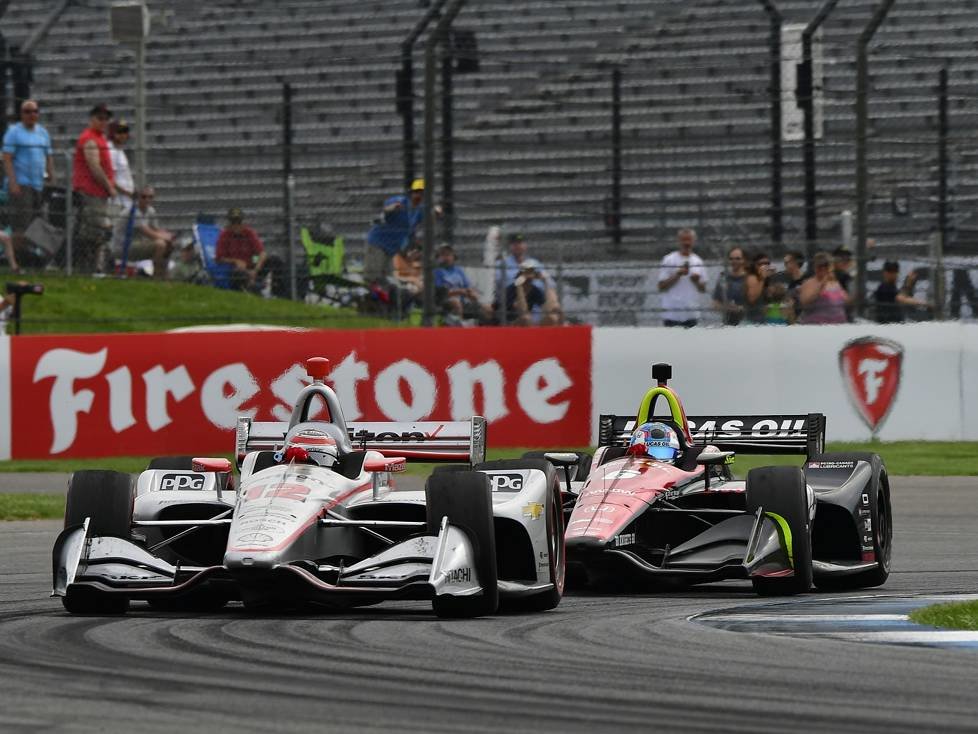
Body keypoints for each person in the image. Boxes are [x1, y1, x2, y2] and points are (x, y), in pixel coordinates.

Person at [2, 99, 55, 272]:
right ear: (21, 114)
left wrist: (51, 175)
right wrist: (13, 182)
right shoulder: (14, 132)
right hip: (22, 183)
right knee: (21, 225)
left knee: (38, 223)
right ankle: (16, 262)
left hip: (38, 184)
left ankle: (36, 259)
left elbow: (48, 156)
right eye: (27, 111)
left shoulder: (43, 133)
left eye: (35, 111)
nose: (32, 115)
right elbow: (7, 159)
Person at [71, 103, 116, 272]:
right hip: (91, 192)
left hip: (99, 193)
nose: (104, 122)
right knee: (92, 232)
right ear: (92, 119)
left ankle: (94, 268)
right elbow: (94, 167)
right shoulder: (89, 138)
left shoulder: (100, 138)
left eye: (106, 119)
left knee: (97, 232)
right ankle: (85, 268)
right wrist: (109, 186)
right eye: (100, 118)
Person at [365, 178, 434, 283]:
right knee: (373, 277)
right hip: (378, 243)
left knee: (387, 279)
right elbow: (386, 209)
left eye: (422, 194)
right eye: (417, 192)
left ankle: (380, 298)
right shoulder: (401, 201)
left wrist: (436, 212)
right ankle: (368, 296)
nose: (419, 196)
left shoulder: (419, 210)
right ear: (411, 193)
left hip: (391, 249)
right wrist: (392, 208)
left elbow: (428, 218)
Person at [215, 207, 284, 295]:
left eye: (238, 222)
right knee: (238, 274)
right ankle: (249, 288)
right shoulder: (224, 235)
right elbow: (219, 258)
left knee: (275, 260)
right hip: (237, 270)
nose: (236, 225)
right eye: (233, 222)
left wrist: (256, 269)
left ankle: (277, 291)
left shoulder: (249, 233)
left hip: (253, 266)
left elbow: (262, 253)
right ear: (229, 223)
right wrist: (235, 261)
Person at [498, 233, 562, 325]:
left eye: (520, 243)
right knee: (525, 317)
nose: (518, 246)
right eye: (514, 244)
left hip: (537, 308)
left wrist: (544, 281)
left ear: (525, 245)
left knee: (554, 313)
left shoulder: (534, 263)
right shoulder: (502, 264)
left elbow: (549, 283)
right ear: (510, 246)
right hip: (514, 309)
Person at [120, 186, 175, 278]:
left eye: (150, 197)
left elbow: (156, 229)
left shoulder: (150, 210)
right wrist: (165, 237)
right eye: (144, 197)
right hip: (124, 246)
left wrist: (168, 235)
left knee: (169, 244)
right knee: (160, 244)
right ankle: (156, 277)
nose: (147, 200)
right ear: (138, 198)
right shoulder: (133, 211)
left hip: (139, 243)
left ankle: (163, 275)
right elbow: (148, 232)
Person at [656, 228, 706, 327]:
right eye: (683, 240)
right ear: (678, 241)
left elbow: (703, 289)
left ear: (694, 241)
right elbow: (661, 286)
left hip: (691, 313)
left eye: (689, 240)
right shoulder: (668, 259)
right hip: (672, 314)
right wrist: (677, 275)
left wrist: (696, 281)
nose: (686, 243)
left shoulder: (698, 261)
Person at [434, 244, 491, 325]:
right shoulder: (437, 272)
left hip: (463, 301)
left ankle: (485, 333)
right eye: (443, 255)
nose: (446, 257)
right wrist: (459, 292)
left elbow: (468, 287)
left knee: (486, 309)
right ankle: (459, 330)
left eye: (449, 255)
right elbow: (440, 293)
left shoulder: (458, 270)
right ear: (438, 258)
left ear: (454, 256)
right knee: (456, 303)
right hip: (446, 301)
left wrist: (475, 297)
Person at [107, 119, 136, 259]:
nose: (123, 135)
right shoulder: (111, 150)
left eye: (125, 132)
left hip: (125, 200)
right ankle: (110, 263)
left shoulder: (119, 150)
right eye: (120, 132)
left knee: (121, 235)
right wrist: (127, 192)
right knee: (114, 233)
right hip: (117, 201)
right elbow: (110, 178)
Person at [797, 251, 850, 324]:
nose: (823, 268)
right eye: (820, 266)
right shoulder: (808, 283)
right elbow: (804, 302)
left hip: (838, 325)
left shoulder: (835, 282)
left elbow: (846, 301)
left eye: (826, 265)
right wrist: (821, 285)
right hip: (816, 326)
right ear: (815, 267)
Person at [712, 246, 747, 325]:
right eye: (731, 259)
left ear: (744, 260)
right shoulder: (723, 277)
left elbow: (758, 304)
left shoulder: (750, 278)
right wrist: (727, 308)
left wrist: (741, 308)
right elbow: (715, 304)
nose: (734, 261)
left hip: (748, 322)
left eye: (738, 258)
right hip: (727, 323)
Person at [744, 251, 773, 324]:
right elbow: (752, 298)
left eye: (767, 263)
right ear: (755, 265)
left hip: (768, 318)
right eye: (761, 264)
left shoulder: (769, 278)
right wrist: (762, 278)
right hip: (753, 319)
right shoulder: (752, 278)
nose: (764, 266)